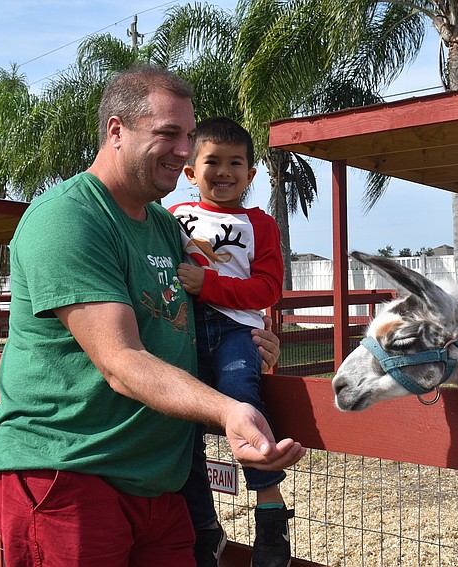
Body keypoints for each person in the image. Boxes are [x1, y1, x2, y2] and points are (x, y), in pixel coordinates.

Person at [0, 64, 305, 567]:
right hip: (70, 473)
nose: (183, 151)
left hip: (157, 483)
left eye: (188, 136)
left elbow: (186, 325)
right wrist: (227, 410)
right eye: (168, 133)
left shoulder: (165, 230)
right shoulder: (69, 218)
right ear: (116, 131)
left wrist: (253, 342)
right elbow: (121, 360)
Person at [169, 117, 291, 567]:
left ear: (251, 175)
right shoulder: (173, 218)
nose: (224, 172)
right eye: (212, 162)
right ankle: (204, 525)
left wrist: (208, 283)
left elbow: (267, 289)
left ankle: (271, 512)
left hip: (237, 330)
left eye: (235, 163)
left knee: (243, 399)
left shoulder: (260, 224)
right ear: (190, 172)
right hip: (182, 327)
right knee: (182, 425)